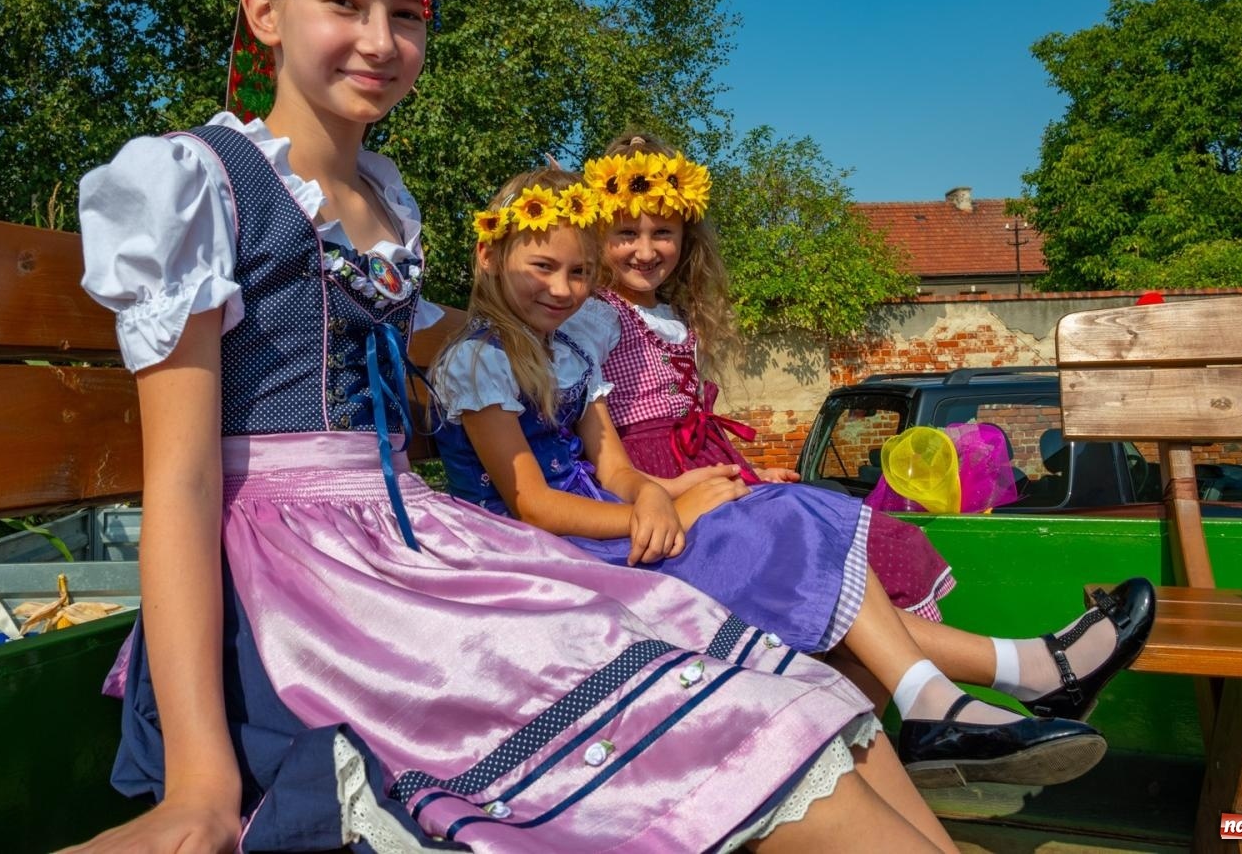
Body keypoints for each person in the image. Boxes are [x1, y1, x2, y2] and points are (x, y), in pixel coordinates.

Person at [70, 0, 965, 853]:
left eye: (406, 14)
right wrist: (200, 781)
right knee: (714, 709)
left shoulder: (382, 198)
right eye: (344, 3)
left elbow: (431, 331)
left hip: (403, 532)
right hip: (296, 571)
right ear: (264, 10)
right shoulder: (198, 181)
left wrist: (542, 348)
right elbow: (185, 480)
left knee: (785, 689)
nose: (379, 39)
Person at [433, 167, 1147, 791]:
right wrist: (653, 512)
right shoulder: (481, 361)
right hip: (543, 544)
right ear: (490, 256)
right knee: (780, 528)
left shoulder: (567, 358)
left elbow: (614, 467)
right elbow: (530, 503)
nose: (563, 289)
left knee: (796, 512)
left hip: (605, 515)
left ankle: (945, 705)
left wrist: (658, 491)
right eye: (544, 268)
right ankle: (1003, 680)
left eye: (578, 273)